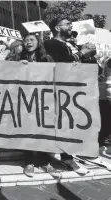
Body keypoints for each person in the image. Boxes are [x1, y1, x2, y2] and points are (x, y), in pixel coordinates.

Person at [44, 17, 96, 175]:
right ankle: (66, 157)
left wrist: (89, 55)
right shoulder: (51, 44)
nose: (70, 26)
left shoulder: (71, 44)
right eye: (67, 24)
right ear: (57, 28)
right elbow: (62, 64)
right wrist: (82, 53)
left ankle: (67, 154)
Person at [11, 34, 61, 178]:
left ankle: (45, 161)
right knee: (28, 130)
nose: (28, 42)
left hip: (44, 100)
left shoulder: (47, 58)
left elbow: (56, 74)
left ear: (38, 42)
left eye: (31, 40)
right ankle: (29, 162)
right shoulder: (18, 58)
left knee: (44, 131)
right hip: (25, 100)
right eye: (26, 40)